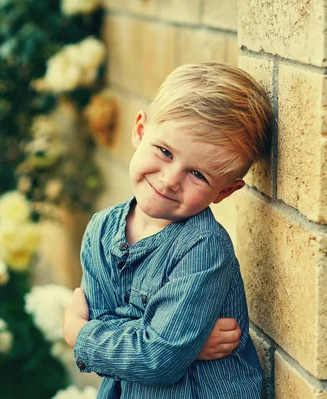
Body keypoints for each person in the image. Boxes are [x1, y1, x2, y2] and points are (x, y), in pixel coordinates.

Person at [63, 62, 272, 398]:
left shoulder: (203, 247)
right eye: (164, 151)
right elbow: (132, 337)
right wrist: (185, 344)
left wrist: (80, 335)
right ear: (141, 130)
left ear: (224, 192)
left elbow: (157, 357)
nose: (170, 179)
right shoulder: (101, 230)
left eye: (198, 175)